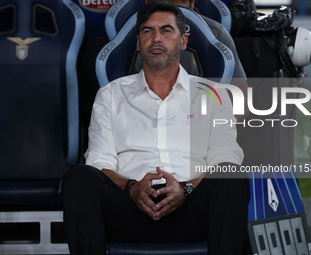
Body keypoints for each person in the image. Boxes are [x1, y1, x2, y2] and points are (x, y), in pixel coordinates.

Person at [62, 0, 249, 254]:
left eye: (166, 30)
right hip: (129, 210)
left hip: (191, 209)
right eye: (147, 31)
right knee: (79, 179)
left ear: (183, 42)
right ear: (138, 43)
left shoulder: (213, 95)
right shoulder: (111, 95)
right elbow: (99, 162)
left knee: (231, 176)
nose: (156, 38)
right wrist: (132, 188)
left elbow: (226, 159)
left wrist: (186, 188)